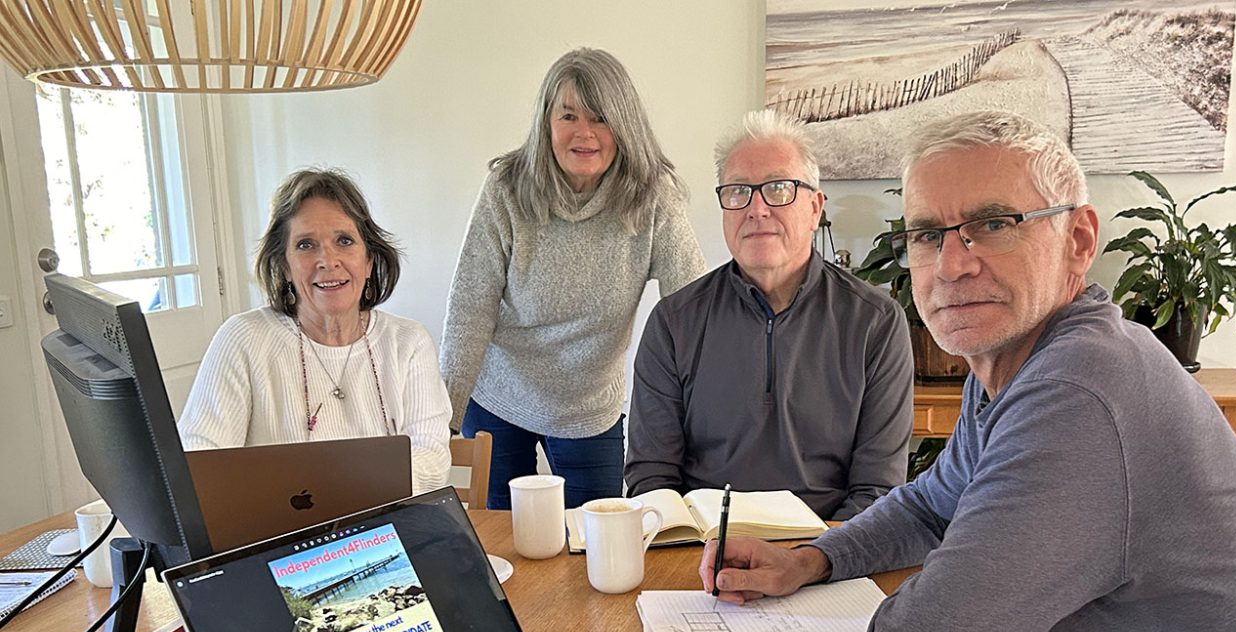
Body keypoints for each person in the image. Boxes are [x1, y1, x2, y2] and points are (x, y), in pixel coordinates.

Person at [700, 111, 1236, 632]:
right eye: (929, 234)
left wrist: (950, 594)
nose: (953, 264)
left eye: (993, 224)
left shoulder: (1080, 392)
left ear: (1078, 239)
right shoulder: (1018, 368)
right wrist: (811, 560)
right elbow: (931, 505)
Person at [439, 48, 705, 510]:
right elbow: (471, 308)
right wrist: (443, 421)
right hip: (499, 400)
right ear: (547, 123)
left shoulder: (653, 196)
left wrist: (703, 420)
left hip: (589, 411)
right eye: (569, 115)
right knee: (502, 549)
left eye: (600, 118)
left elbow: (693, 309)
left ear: (624, 125)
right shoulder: (506, 189)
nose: (584, 133)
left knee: (593, 548)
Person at [625, 109, 913, 520]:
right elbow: (652, 476)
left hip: (828, 549)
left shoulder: (876, 322)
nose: (757, 209)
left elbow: (877, 489)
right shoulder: (674, 322)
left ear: (815, 208)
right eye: (739, 191)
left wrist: (814, 560)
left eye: (778, 188)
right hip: (702, 550)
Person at [180, 168, 452, 493]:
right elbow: (199, 460)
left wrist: (325, 485)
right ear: (284, 265)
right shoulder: (243, 339)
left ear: (368, 261)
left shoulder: (408, 342)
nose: (327, 260)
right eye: (306, 245)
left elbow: (432, 462)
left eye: (344, 241)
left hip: (386, 530)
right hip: (283, 535)